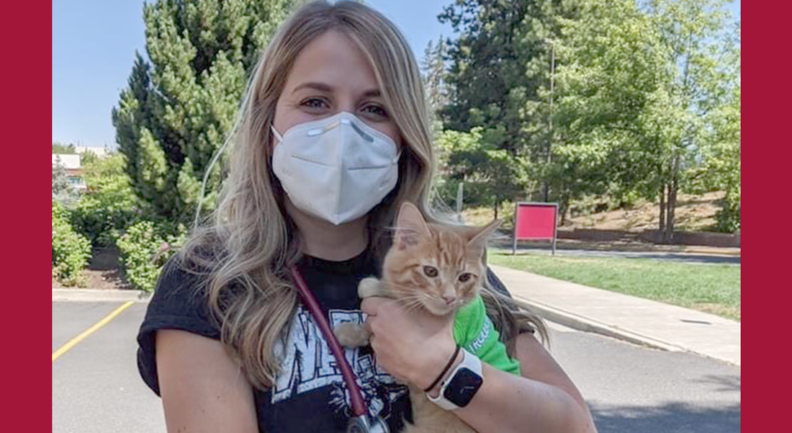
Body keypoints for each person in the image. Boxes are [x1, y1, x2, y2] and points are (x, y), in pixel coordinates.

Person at [136, 1, 598, 432]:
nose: (344, 129)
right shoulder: (209, 281)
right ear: (268, 126)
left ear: (405, 136)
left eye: (375, 109)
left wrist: (444, 369)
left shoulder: (447, 264)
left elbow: (574, 423)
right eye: (315, 102)